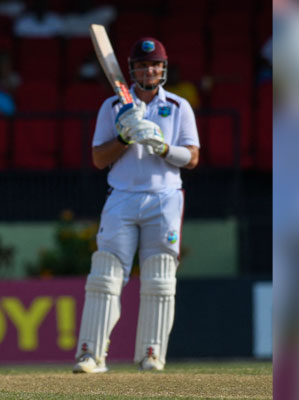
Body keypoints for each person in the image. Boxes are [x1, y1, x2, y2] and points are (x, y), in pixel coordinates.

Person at [72, 37, 200, 373]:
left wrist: (162, 148)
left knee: (160, 278)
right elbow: (99, 159)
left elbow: (192, 158)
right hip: (122, 197)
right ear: (132, 69)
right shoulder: (114, 107)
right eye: (142, 65)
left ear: (163, 69)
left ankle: (151, 354)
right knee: (105, 275)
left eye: (155, 64)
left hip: (166, 197)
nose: (149, 70)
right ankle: (91, 353)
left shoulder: (178, 106)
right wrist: (126, 137)